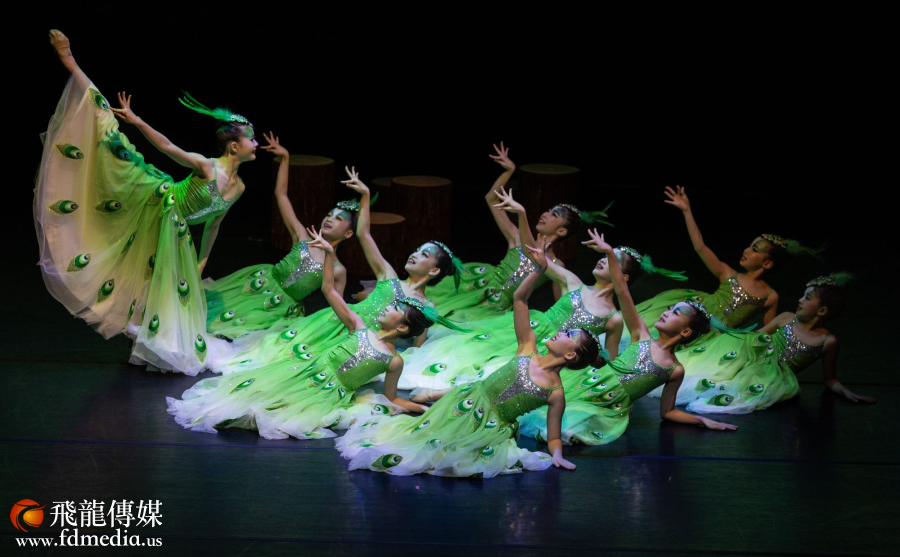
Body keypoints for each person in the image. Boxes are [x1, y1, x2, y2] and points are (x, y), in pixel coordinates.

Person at [37, 30, 257, 374]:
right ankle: (70, 62)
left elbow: (214, 225)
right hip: (159, 204)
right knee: (111, 145)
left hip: (178, 230)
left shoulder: (239, 187)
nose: (255, 145)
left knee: (163, 285)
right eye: (251, 140)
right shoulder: (206, 167)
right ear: (234, 147)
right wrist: (137, 120)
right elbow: (168, 147)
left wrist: (201, 263)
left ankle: (144, 338)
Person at [335, 238, 594, 478]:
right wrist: (539, 270)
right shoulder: (528, 348)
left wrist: (557, 454)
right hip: (464, 401)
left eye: (569, 334)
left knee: (453, 455)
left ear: (570, 354)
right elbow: (520, 299)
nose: (562, 332)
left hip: (489, 428)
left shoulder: (556, 393)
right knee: (423, 440)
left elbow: (554, 435)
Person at [168, 227, 435, 439]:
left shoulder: (394, 360)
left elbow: (392, 397)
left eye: (395, 308)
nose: (388, 306)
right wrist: (329, 254)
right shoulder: (359, 327)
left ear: (402, 327)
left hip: (328, 393)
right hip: (307, 369)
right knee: (260, 393)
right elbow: (329, 290)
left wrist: (422, 408)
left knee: (283, 413)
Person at [518, 230, 737, 445]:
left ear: (686, 332)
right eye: (669, 308)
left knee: (569, 425)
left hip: (609, 405)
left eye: (675, 313)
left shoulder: (675, 370)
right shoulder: (641, 335)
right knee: (543, 406)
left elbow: (667, 412)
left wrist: (701, 420)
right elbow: (622, 291)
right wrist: (609, 253)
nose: (665, 312)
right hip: (589, 383)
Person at [204, 133, 356, 339]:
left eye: (338, 219)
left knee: (247, 329)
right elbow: (281, 195)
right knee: (215, 310)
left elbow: (337, 310)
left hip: (281, 308)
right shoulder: (302, 237)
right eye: (329, 214)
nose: (330, 219)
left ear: (348, 233)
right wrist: (285, 158)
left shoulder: (338, 270)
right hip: (260, 284)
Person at [657, 273, 876, 413]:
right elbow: (756, 336)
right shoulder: (786, 318)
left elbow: (829, 379)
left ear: (822, 310)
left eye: (807, 298)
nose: (800, 300)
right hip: (751, 354)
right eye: (802, 296)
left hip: (770, 375)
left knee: (733, 389)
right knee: (710, 367)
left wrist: (845, 392)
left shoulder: (828, 342)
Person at [634, 186, 817, 345]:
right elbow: (700, 247)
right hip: (695, 313)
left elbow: (768, 331)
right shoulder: (727, 273)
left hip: (717, 336)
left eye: (755, 249)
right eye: (749, 245)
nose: (746, 250)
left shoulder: (770, 297)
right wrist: (687, 211)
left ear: (767, 263)